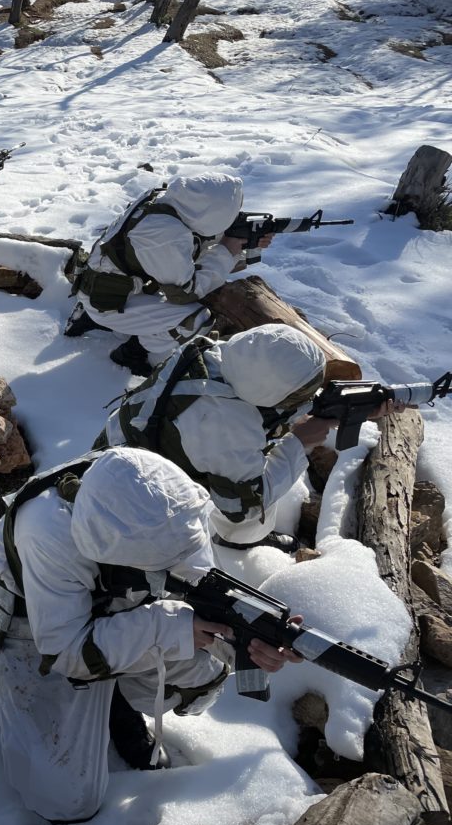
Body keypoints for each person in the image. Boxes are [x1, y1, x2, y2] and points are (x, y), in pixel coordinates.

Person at [0, 447, 300, 825]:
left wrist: (246, 640)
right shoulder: (47, 531)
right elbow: (65, 651)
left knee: (202, 674)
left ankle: (115, 699)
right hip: (35, 624)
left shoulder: (166, 506)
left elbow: (207, 595)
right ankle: (1, 680)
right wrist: (168, 626)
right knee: (66, 800)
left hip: (128, 603)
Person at [95, 324, 402, 550]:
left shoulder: (211, 353)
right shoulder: (228, 424)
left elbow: (263, 402)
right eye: (300, 393)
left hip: (114, 451)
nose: (307, 398)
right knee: (252, 517)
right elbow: (242, 508)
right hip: (129, 505)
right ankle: (225, 540)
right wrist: (298, 443)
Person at [66, 172, 274, 376]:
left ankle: (93, 316)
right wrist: (228, 251)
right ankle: (130, 353)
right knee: (195, 319)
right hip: (107, 300)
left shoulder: (167, 201)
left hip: (106, 283)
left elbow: (192, 243)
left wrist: (242, 245)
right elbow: (186, 292)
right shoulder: (162, 234)